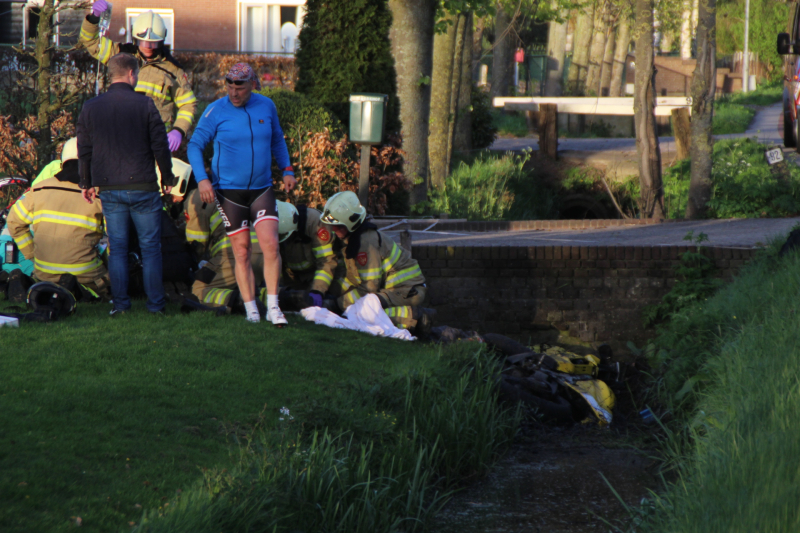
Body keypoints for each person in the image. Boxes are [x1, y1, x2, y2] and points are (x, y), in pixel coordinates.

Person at [187, 62, 296, 326]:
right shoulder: (216, 111)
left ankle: (273, 307)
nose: (234, 93)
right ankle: (252, 311)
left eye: (240, 87)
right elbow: (194, 145)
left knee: (271, 245)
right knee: (243, 251)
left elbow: (277, 139)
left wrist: (287, 168)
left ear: (253, 85)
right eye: (230, 86)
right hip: (229, 192)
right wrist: (202, 180)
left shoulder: (266, 106)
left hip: (262, 188)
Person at [77, 52, 175, 317]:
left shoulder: (91, 107)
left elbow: (83, 149)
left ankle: (120, 306)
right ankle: (156, 306)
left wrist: (85, 182)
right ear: (132, 74)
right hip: (143, 185)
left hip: (109, 188)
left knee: (117, 248)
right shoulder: (145, 105)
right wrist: (168, 178)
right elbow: (160, 145)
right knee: (150, 248)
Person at [79, 1, 196, 152]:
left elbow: (188, 104)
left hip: (154, 145)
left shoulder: (173, 71)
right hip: (120, 141)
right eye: (142, 42)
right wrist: (94, 18)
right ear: (135, 38)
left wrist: (178, 130)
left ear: (161, 42)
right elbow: (91, 41)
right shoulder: (120, 55)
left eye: (152, 44)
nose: (147, 47)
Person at [5, 137, 110, 299]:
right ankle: (80, 290)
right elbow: (116, 236)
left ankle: (37, 286)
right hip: (88, 276)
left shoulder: (39, 189)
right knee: (110, 280)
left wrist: (32, 254)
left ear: (62, 163)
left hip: (45, 274)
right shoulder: (97, 193)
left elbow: (13, 222)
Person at [320, 191, 433, 334]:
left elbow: (368, 289)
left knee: (362, 311)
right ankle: (413, 316)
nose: (333, 229)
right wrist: (329, 293)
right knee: (356, 310)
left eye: (338, 225)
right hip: (395, 291)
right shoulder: (352, 240)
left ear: (350, 223)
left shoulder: (366, 243)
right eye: (332, 225)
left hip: (407, 291)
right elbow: (353, 280)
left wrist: (337, 304)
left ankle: (418, 317)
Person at [184, 187, 265, 311]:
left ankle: (240, 301)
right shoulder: (230, 187)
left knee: (198, 290)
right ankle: (289, 297)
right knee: (253, 288)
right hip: (261, 254)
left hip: (233, 254)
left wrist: (192, 261)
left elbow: (197, 241)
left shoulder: (198, 195)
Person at [276, 201, 341, 309]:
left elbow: (326, 261)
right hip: (291, 277)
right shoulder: (271, 225)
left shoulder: (315, 223)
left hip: (314, 275)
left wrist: (318, 290)